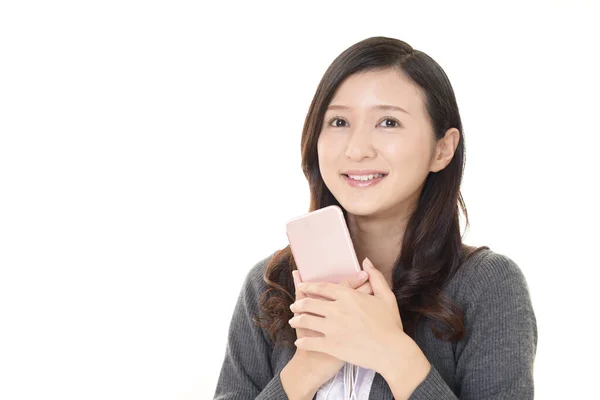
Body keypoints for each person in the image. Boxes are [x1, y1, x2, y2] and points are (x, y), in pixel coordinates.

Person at [213, 36, 537, 400]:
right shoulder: (269, 285)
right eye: (338, 121)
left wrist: (393, 354)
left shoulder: (486, 285)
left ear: (442, 149)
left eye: (388, 122)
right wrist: (307, 368)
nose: (356, 149)